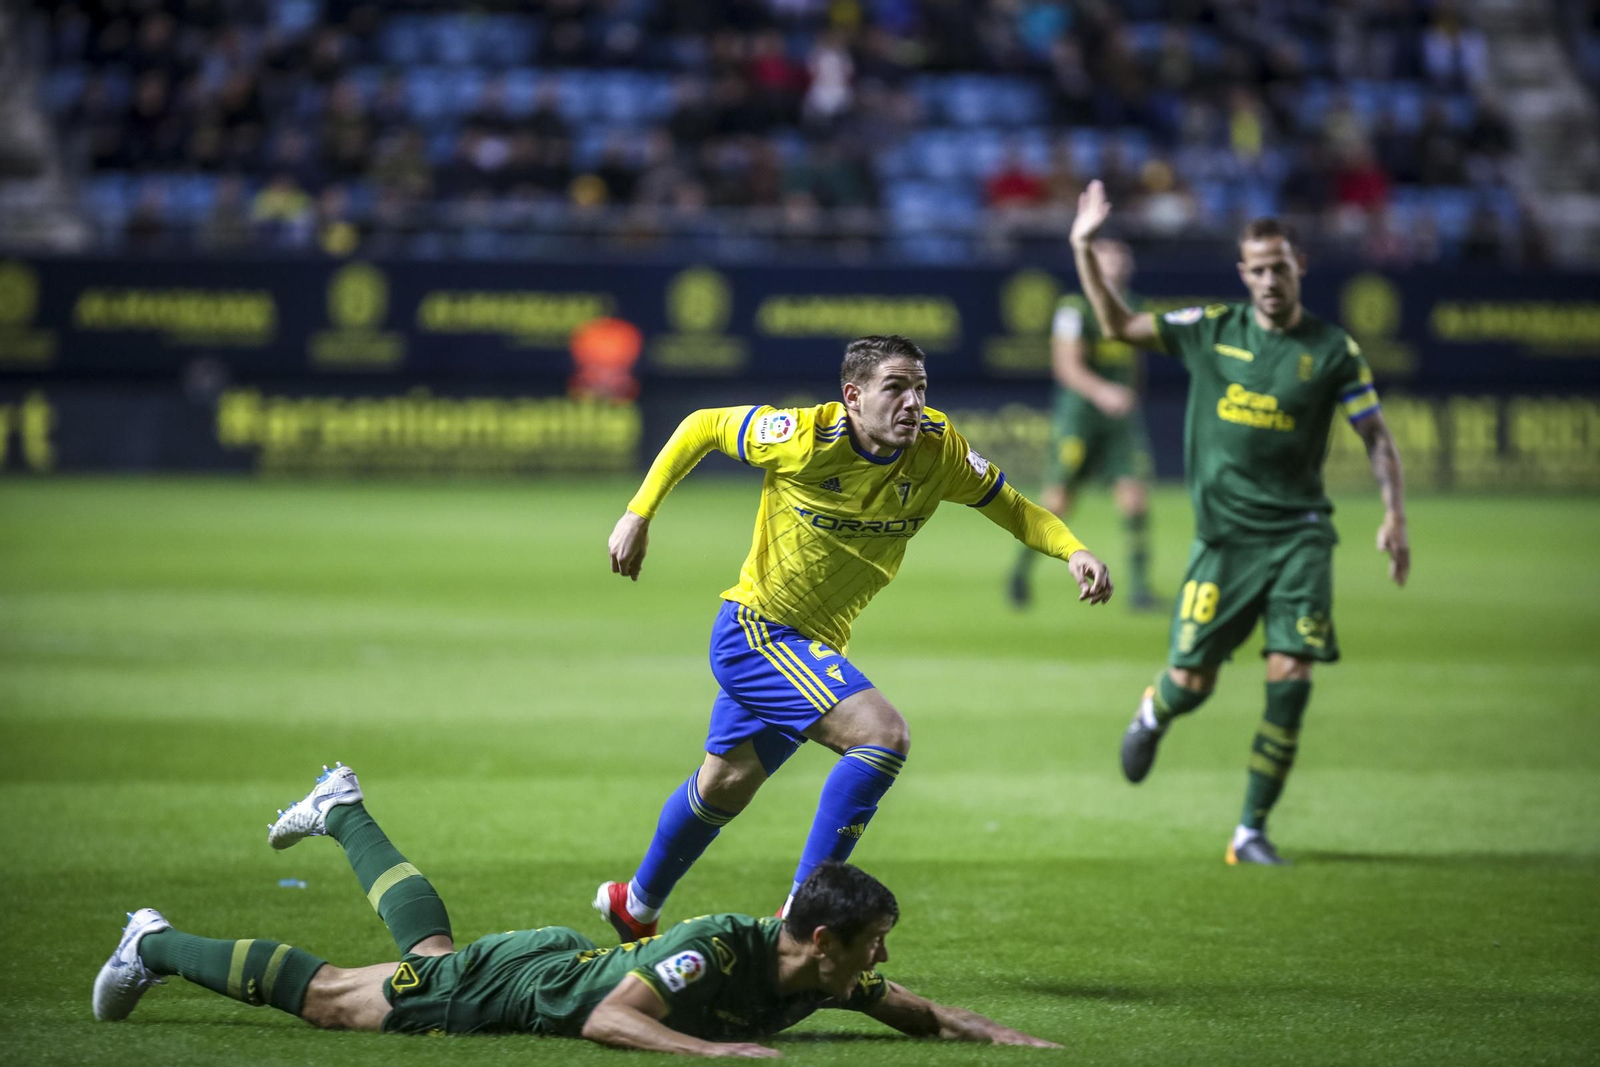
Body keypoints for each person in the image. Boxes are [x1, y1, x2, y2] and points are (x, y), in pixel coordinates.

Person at [600, 334, 1112, 938]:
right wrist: (639, 513)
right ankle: (803, 918)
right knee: (881, 737)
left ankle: (635, 905)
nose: (912, 403)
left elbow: (1016, 507)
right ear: (853, 396)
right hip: (758, 632)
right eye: (895, 388)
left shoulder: (938, 450)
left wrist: (1073, 550)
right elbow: (702, 425)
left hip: (815, 642)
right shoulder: (802, 436)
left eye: (920, 388)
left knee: (724, 785)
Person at [92, 764, 1059, 1056]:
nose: (877, 960)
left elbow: (924, 1012)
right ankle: (156, 940)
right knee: (339, 999)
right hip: (526, 987)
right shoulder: (717, 948)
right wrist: (716, 1052)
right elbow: (609, 1017)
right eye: (871, 943)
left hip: (545, 962)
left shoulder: (824, 974)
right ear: (822, 938)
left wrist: (1017, 1041)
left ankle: (345, 811)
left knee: (422, 956)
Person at [1068, 180, 1410, 865]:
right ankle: (1154, 710)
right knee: (1193, 683)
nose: (1269, 279)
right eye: (1256, 268)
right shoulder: (1212, 329)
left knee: (1292, 676)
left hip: (1301, 537)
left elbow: (1375, 435)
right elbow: (1116, 327)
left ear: (1299, 266)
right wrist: (1081, 245)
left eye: (1279, 266)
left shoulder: (1333, 349)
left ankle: (1250, 829)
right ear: (1244, 274)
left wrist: (1394, 513)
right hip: (1224, 543)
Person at [1009, 238, 1159, 611]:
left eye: (1122, 260)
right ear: (1091, 268)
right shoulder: (1073, 308)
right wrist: (1104, 392)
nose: (1117, 267)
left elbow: (1135, 364)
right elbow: (1066, 366)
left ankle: (1139, 590)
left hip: (1120, 419)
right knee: (1058, 500)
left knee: (1135, 497)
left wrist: (1128, 395)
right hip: (1080, 416)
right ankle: (1019, 573)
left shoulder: (1136, 307)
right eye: (1108, 261)